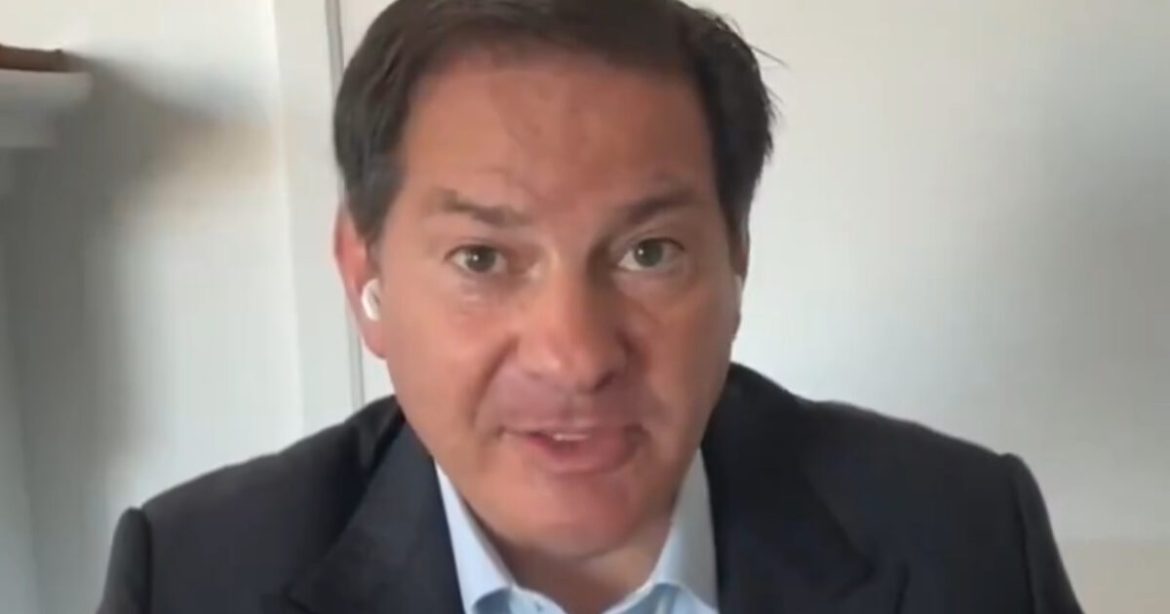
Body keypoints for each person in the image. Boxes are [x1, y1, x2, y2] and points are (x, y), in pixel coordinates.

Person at [98, 0, 1083, 612]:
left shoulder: (959, 537)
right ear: (368, 275)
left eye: (649, 253)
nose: (575, 356)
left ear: (736, 261)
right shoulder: (197, 578)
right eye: (483, 258)